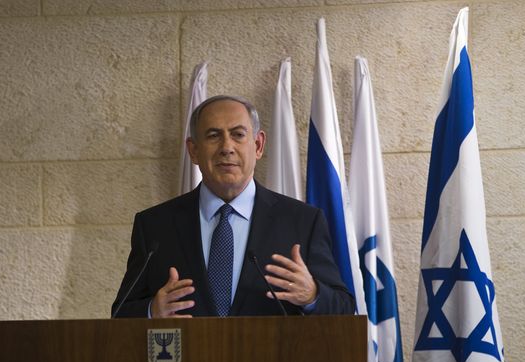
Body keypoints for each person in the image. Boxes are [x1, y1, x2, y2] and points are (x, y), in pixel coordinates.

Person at [112, 95, 354, 318]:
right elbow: (120, 313)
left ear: (258, 145)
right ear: (194, 151)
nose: (226, 147)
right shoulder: (155, 226)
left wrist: (312, 295)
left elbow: (343, 308)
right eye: (213, 135)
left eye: (238, 134)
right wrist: (152, 311)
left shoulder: (302, 222)